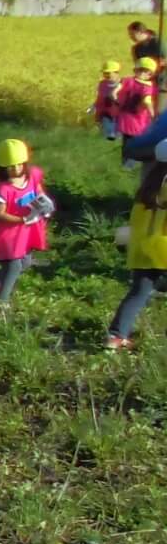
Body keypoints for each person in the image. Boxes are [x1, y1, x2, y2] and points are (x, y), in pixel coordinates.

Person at [0, 138, 53, 305]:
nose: (16, 169)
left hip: (25, 232)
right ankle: (2, 302)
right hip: (8, 233)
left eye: (20, 164)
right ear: (3, 168)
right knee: (14, 266)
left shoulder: (32, 175)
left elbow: (37, 189)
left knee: (25, 262)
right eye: (11, 166)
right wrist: (22, 219)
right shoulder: (3, 190)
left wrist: (43, 202)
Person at [107, 162, 167, 351]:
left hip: (141, 249)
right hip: (164, 248)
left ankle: (116, 336)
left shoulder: (148, 188)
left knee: (138, 293)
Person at [93, 60, 125, 142]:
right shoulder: (102, 84)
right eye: (104, 73)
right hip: (106, 115)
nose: (106, 75)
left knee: (120, 137)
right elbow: (100, 99)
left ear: (116, 72)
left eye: (108, 73)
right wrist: (96, 112)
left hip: (121, 115)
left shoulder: (125, 83)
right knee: (108, 138)